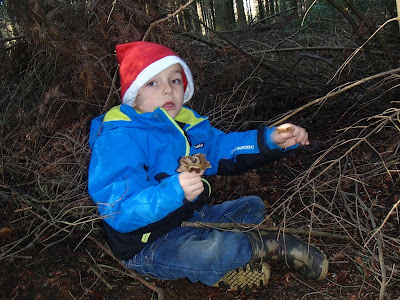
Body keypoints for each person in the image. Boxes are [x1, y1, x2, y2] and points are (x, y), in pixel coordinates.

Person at [88, 41, 328, 290]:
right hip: (147, 243)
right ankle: (258, 247)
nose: (168, 91)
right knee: (211, 252)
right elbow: (118, 210)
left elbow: (223, 149)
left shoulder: (186, 125)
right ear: (133, 94)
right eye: (152, 83)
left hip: (189, 218)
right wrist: (175, 191)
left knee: (251, 206)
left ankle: (231, 254)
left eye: (174, 80)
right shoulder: (120, 138)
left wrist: (272, 139)